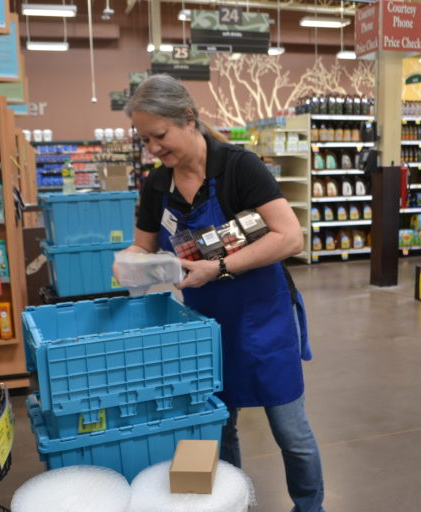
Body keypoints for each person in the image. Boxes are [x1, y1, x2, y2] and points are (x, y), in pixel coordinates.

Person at [118, 74, 325, 512]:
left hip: (263, 319)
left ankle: (310, 506)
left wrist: (219, 266)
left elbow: (290, 238)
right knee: (218, 427)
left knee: (292, 432)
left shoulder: (238, 168)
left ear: (188, 119)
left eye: (159, 136)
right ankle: (232, 505)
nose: (152, 148)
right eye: (144, 139)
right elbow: (146, 244)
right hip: (206, 323)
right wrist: (129, 259)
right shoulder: (157, 186)